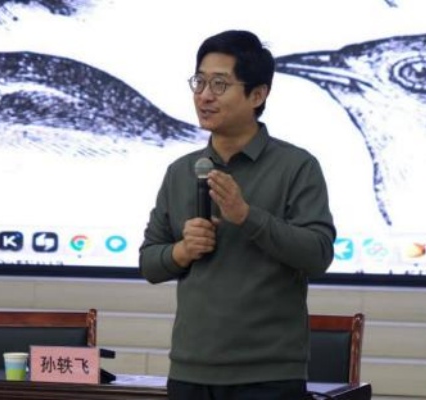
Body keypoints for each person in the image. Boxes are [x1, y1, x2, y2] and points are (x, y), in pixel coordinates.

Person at [139, 30, 336, 400]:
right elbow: (149, 263)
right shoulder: (181, 171)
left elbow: (318, 254)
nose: (204, 95)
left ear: (257, 95)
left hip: (268, 375)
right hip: (190, 369)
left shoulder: (297, 166)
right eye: (199, 82)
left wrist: (246, 216)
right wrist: (182, 251)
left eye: (220, 84)